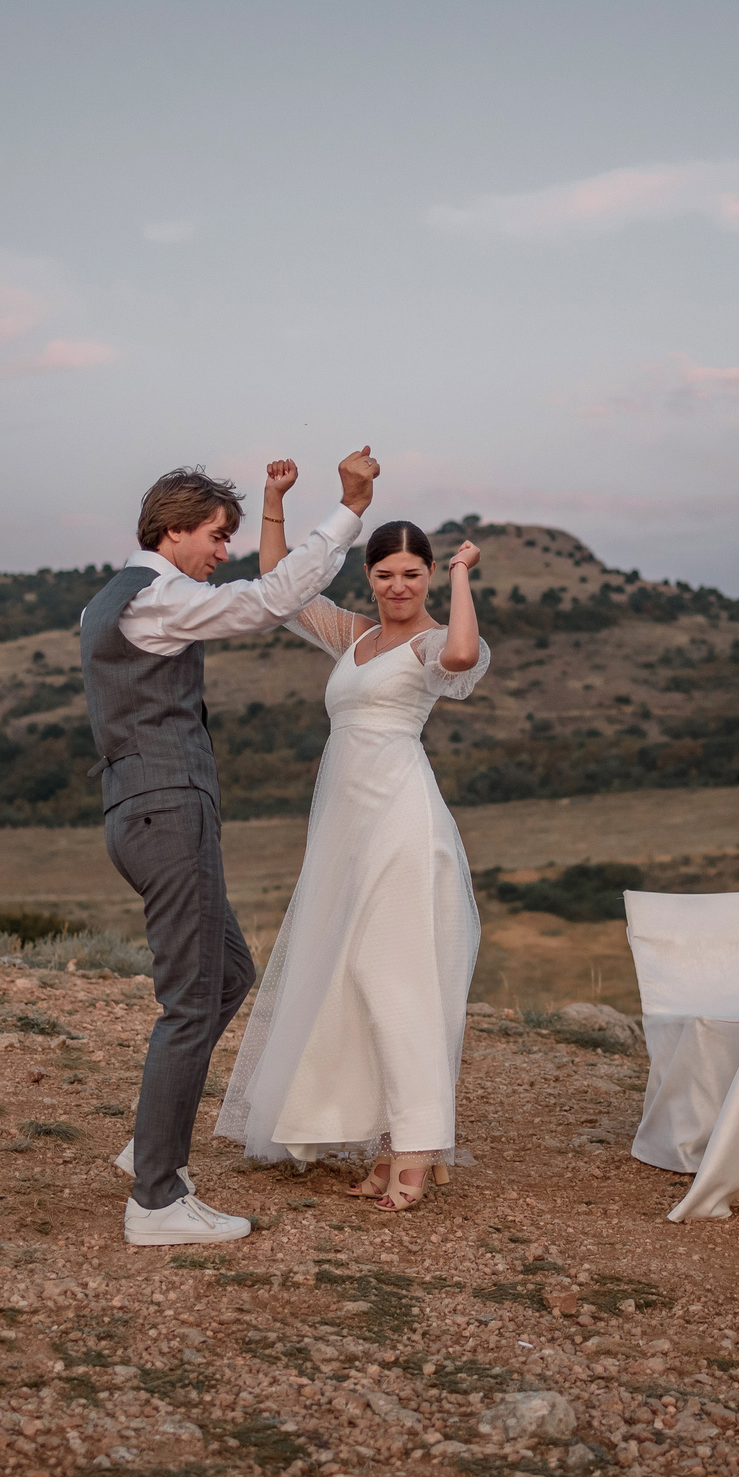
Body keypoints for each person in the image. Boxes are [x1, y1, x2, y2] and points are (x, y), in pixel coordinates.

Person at [82, 448, 380, 1246]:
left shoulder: (109, 600)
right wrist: (349, 508)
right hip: (167, 811)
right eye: (216, 535)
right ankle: (155, 1201)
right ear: (172, 531)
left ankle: (154, 1144)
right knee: (188, 1002)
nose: (222, 551)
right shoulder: (158, 599)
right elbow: (271, 598)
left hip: (141, 809)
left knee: (229, 974)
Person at [214, 519, 489, 1212]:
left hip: (402, 820)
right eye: (385, 574)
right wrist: (275, 505)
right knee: (351, 979)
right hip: (348, 830)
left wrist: (461, 576)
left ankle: (419, 1148)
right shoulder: (354, 637)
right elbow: (282, 587)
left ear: (427, 576)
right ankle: (389, 1141)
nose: (398, 586)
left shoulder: (430, 641)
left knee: (389, 975)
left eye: (412, 573)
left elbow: (460, 655)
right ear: (368, 577)